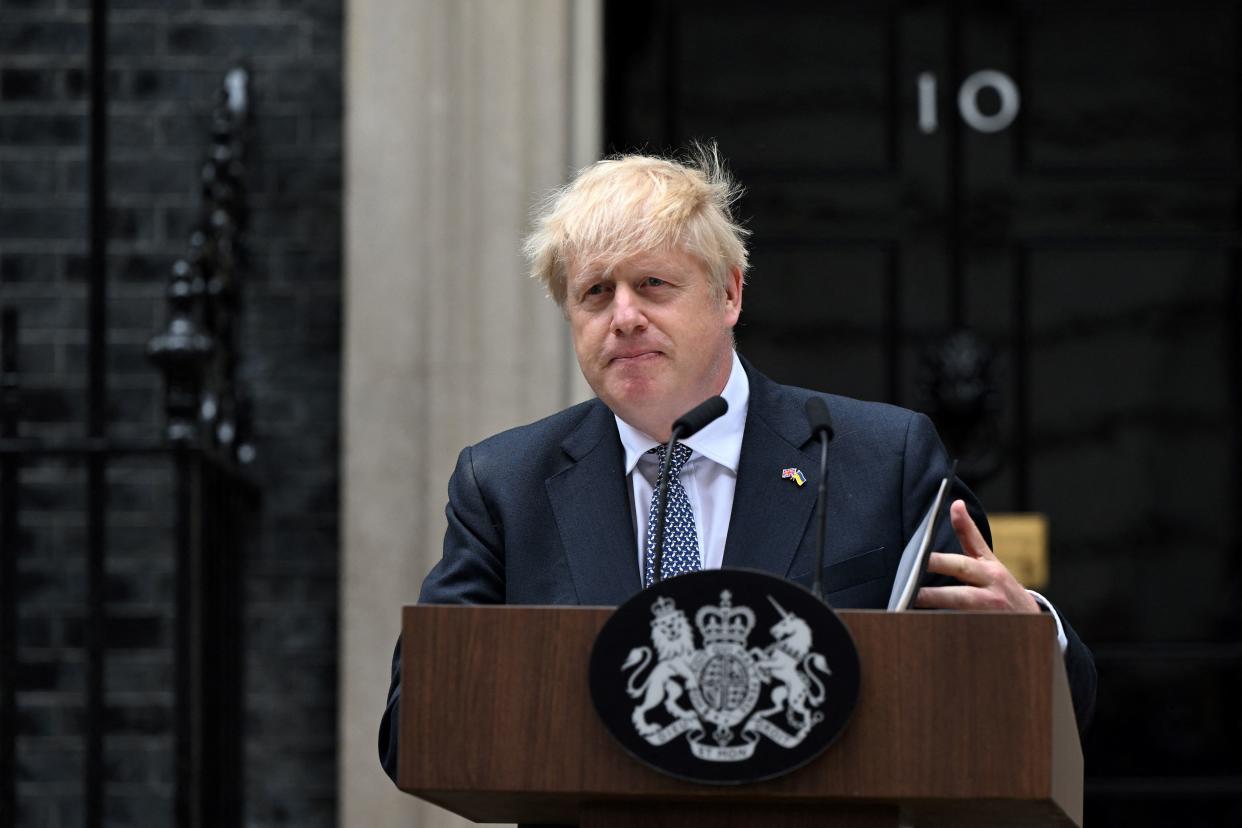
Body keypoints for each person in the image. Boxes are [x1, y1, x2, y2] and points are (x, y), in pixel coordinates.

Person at [379, 146, 1097, 781]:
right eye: (596, 292)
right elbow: (414, 727)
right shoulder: (505, 484)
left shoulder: (881, 459)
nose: (623, 315)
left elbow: (1040, 708)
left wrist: (1029, 638)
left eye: (654, 285)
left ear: (730, 293)